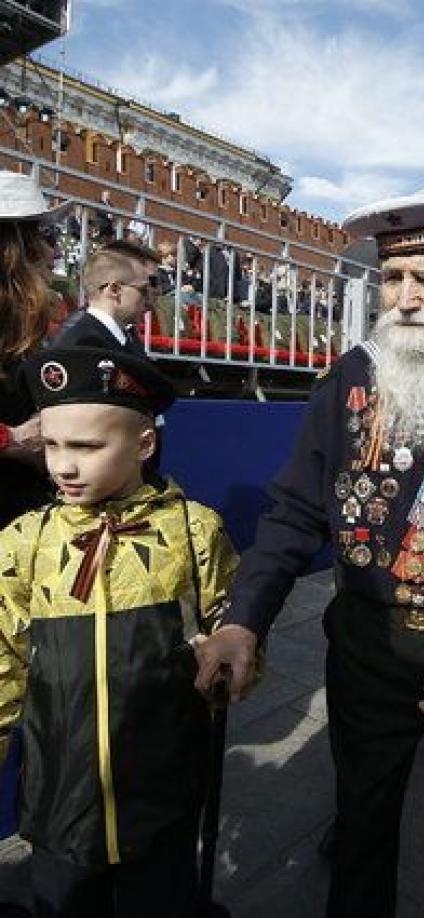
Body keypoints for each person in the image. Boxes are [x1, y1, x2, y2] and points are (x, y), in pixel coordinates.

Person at [193, 192, 424, 917]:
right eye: (393, 278)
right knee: (361, 836)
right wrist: (244, 620)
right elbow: (295, 512)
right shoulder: (348, 381)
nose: (405, 298)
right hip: (367, 650)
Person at [0, 346, 239, 918]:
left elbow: (230, 625)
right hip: (61, 790)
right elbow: (4, 655)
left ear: (144, 444)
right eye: (52, 445)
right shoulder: (26, 541)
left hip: (164, 783)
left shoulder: (194, 530)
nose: (63, 466)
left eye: (87, 446)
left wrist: (229, 662)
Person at [0, 171, 71, 531]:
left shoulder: (20, 323)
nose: (55, 251)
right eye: (47, 234)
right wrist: (12, 439)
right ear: (16, 246)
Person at [54, 240, 160, 357]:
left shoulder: (125, 336)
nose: (149, 295)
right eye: (143, 289)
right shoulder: (84, 344)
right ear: (115, 290)